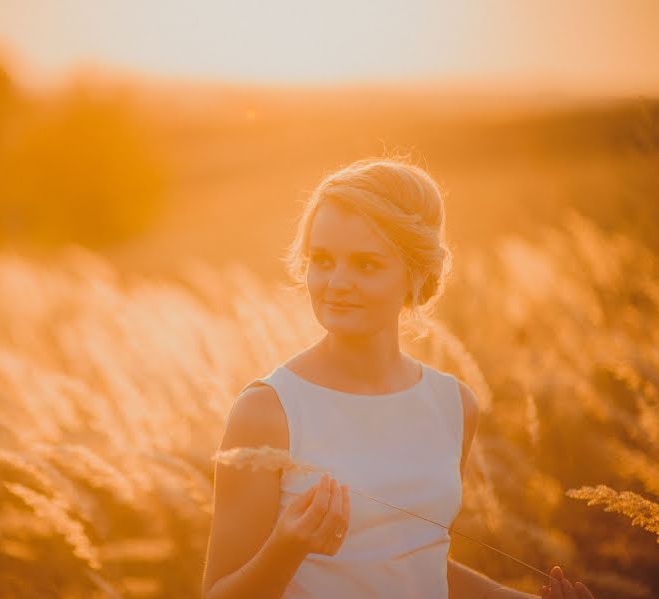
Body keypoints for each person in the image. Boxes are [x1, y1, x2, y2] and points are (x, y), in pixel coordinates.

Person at [201, 157, 596, 599]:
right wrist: (287, 547)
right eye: (322, 259)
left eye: (366, 264)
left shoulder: (453, 404)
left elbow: (418, 563)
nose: (336, 282)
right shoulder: (266, 411)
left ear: (417, 274)